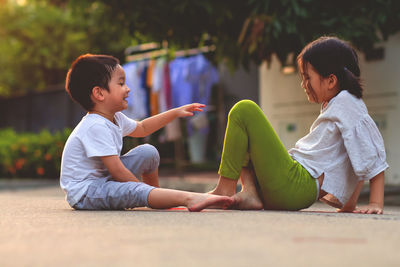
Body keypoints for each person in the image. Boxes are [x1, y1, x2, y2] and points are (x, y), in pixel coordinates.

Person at [210, 36, 388, 214]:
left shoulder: (347, 102)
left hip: (297, 185)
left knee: (244, 110)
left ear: (331, 81)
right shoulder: (338, 105)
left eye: (307, 77)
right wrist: (349, 206)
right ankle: (250, 193)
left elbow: (370, 151)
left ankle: (224, 190)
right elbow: (352, 152)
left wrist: (375, 203)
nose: (303, 84)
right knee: (245, 138)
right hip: (290, 189)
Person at [60, 54, 234, 211]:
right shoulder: (95, 126)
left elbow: (142, 128)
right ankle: (188, 198)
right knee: (135, 190)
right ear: (99, 93)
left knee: (148, 152)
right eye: (121, 83)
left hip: (104, 180)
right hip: (86, 193)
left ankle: (156, 199)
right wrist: (141, 191)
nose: (127, 88)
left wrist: (175, 112)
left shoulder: (115, 118)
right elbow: (118, 171)